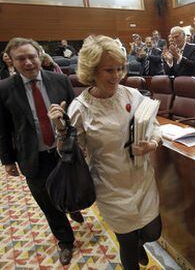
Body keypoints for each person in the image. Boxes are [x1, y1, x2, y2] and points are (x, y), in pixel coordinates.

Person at [48, 35, 162, 270]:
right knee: (127, 244)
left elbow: (154, 124)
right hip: (110, 187)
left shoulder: (132, 94)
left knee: (153, 231)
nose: (117, 75)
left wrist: (153, 143)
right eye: (109, 70)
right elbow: (70, 152)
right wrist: (61, 129)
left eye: (120, 68)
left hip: (143, 180)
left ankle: (140, 241)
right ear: (92, 71)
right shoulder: (80, 108)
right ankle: (133, 247)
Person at [0, 37, 82, 265]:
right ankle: (65, 240)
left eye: (31, 56)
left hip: (63, 152)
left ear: (40, 55)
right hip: (32, 156)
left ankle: (72, 207)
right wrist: (7, 160)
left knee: (71, 188)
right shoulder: (4, 89)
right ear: (12, 62)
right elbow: (3, 129)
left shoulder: (60, 80)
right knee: (46, 201)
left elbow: (76, 116)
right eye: (21, 59)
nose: (28, 62)